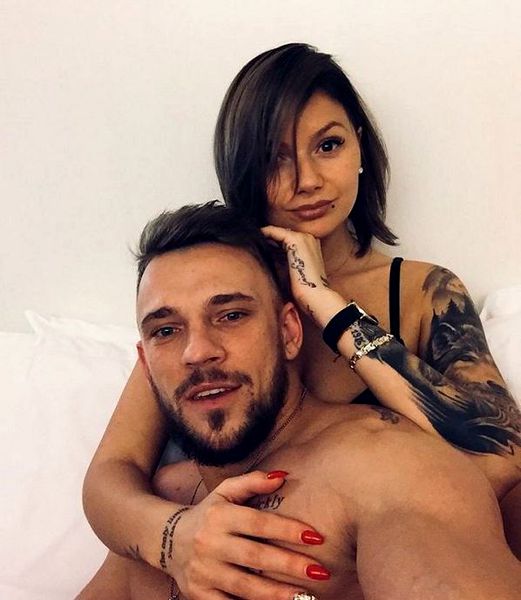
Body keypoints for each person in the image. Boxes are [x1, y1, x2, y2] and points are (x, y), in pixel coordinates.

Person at [82, 43, 521, 598]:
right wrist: (175, 539)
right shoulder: (210, 303)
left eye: (328, 145)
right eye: (275, 159)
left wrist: (326, 303)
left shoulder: (420, 292)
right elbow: (108, 479)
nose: (307, 180)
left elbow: (501, 459)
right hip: (234, 540)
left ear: (359, 147)